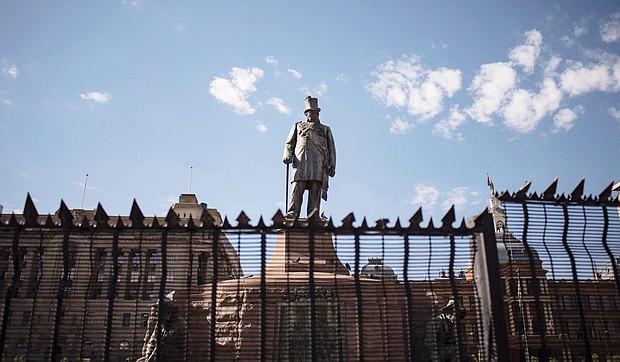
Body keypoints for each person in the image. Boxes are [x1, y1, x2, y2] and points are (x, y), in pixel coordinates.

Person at [282, 96, 336, 219]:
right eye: (311, 112)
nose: (314, 115)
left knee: (315, 189)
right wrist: (287, 154)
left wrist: (332, 165)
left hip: (318, 163)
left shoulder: (325, 129)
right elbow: (289, 143)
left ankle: (313, 216)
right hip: (300, 162)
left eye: (316, 112)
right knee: (297, 188)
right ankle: (292, 213)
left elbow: (332, 149)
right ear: (306, 114)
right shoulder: (298, 126)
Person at [137, 298, 187, 362]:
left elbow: (165, 342)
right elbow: (152, 341)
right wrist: (147, 356)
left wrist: (149, 360)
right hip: (160, 354)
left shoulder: (179, 322)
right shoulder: (160, 323)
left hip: (174, 355)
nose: (157, 313)